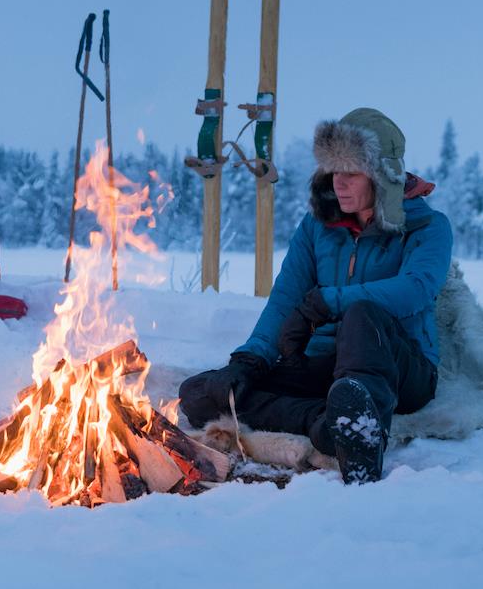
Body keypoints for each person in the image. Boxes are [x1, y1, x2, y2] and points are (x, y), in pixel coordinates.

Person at [179, 108, 453, 484]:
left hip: (398, 368)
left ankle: (361, 437)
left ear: (382, 176)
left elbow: (415, 290)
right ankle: (327, 425)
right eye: (333, 171)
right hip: (324, 366)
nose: (339, 183)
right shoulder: (316, 228)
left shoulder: (428, 227)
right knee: (202, 394)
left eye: (352, 173)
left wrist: (328, 300)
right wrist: (249, 360)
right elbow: (286, 298)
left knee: (362, 314)